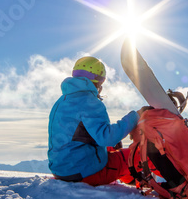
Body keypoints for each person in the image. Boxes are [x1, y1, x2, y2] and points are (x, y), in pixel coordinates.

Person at [48, 56, 138, 186]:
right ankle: (137, 179)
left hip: (62, 171)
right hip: (84, 174)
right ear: (98, 80)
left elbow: (79, 135)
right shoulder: (89, 101)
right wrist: (135, 117)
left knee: (112, 146)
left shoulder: (62, 101)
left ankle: (128, 177)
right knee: (136, 154)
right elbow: (106, 138)